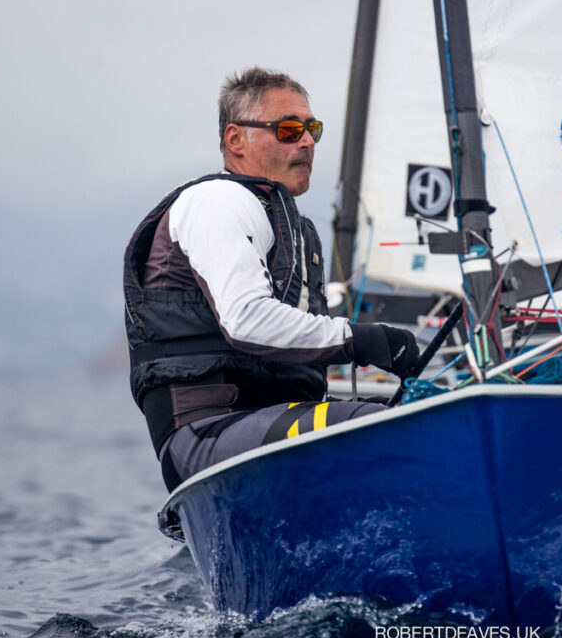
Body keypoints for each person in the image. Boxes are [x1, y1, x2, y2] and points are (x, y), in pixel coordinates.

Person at [123, 67, 418, 492]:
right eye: (289, 129)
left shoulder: (292, 227)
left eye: (312, 129)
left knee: (424, 411)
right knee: (389, 428)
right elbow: (246, 320)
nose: (307, 142)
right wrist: (362, 339)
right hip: (208, 433)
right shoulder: (218, 201)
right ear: (235, 139)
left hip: (268, 420)